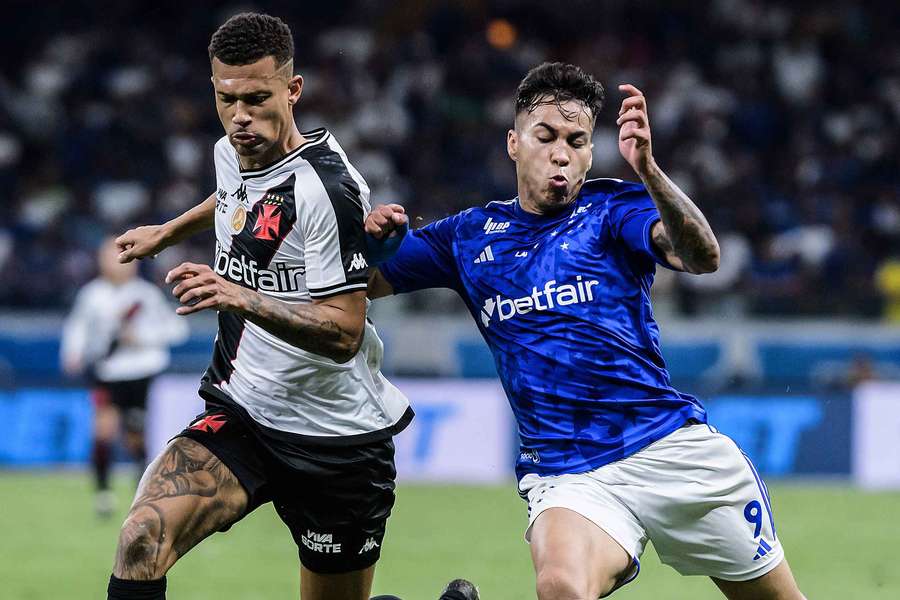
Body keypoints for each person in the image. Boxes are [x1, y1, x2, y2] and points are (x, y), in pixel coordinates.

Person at [365, 62, 807, 599]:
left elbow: (702, 256)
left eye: (577, 140)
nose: (561, 152)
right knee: (561, 589)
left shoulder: (613, 208)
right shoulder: (468, 237)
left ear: (590, 153)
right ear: (514, 143)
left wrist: (648, 170)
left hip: (671, 447)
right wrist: (376, 240)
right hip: (569, 471)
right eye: (545, 136)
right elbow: (363, 282)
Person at [106, 13, 421, 600]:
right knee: (140, 539)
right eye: (228, 100)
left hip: (336, 440)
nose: (241, 117)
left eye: (257, 98)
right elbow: (233, 196)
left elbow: (344, 332)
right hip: (244, 414)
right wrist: (167, 232)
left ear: (293, 90)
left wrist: (239, 295)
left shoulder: (327, 191)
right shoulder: (231, 149)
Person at [61, 236, 188, 517]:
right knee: (103, 430)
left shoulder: (145, 295)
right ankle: (103, 494)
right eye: (107, 256)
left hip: (140, 373)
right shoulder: (92, 295)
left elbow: (177, 329)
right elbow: (77, 327)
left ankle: (139, 490)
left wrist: (141, 338)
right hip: (107, 373)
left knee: (135, 436)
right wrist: (72, 353)